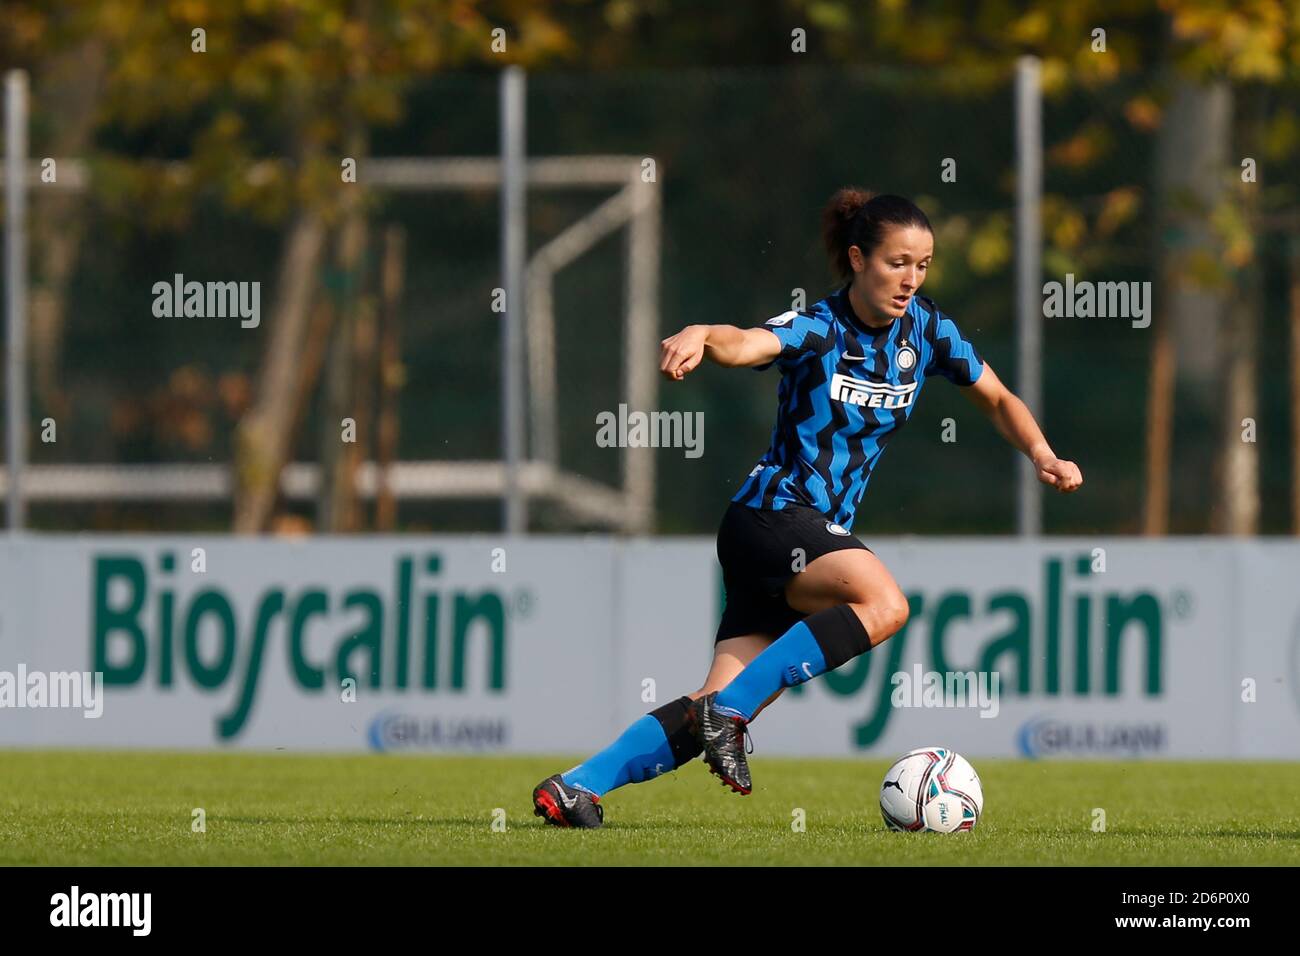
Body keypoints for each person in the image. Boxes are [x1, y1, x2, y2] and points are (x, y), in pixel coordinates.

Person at [532, 189, 1083, 828]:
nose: (911, 278)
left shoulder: (930, 331)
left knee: (709, 701)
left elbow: (997, 397)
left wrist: (1042, 452)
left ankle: (577, 787)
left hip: (794, 537)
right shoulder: (819, 326)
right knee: (885, 605)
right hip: (772, 517)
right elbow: (745, 344)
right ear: (857, 258)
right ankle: (731, 716)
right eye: (896, 262)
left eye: (923, 265)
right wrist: (703, 333)